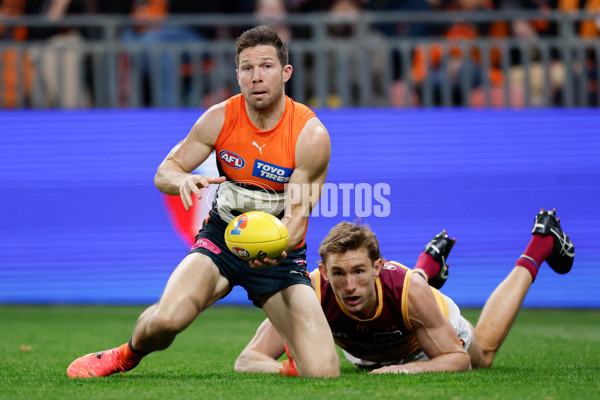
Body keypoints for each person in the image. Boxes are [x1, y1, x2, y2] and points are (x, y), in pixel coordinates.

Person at [67, 25, 339, 378]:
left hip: (279, 255)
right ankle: (124, 355)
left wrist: (274, 248)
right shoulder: (219, 118)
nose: (257, 77)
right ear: (237, 74)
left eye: (267, 67)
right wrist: (183, 179)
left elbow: (299, 215)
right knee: (166, 320)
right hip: (221, 239)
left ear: (286, 73)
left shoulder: (310, 134)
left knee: (322, 373)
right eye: (247, 68)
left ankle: (272, 360)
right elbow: (164, 172)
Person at [235, 209, 574, 375]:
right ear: (323, 272)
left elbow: (457, 360)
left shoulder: (408, 292)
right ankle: (428, 265)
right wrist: (284, 369)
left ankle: (540, 245)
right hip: (370, 354)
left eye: (358, 271)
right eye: (338, 274)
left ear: (377, 268)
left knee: (482, 353)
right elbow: (247, 359)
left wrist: (403, 370)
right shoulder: (312, 290)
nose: (349, 285)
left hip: (418, 342)